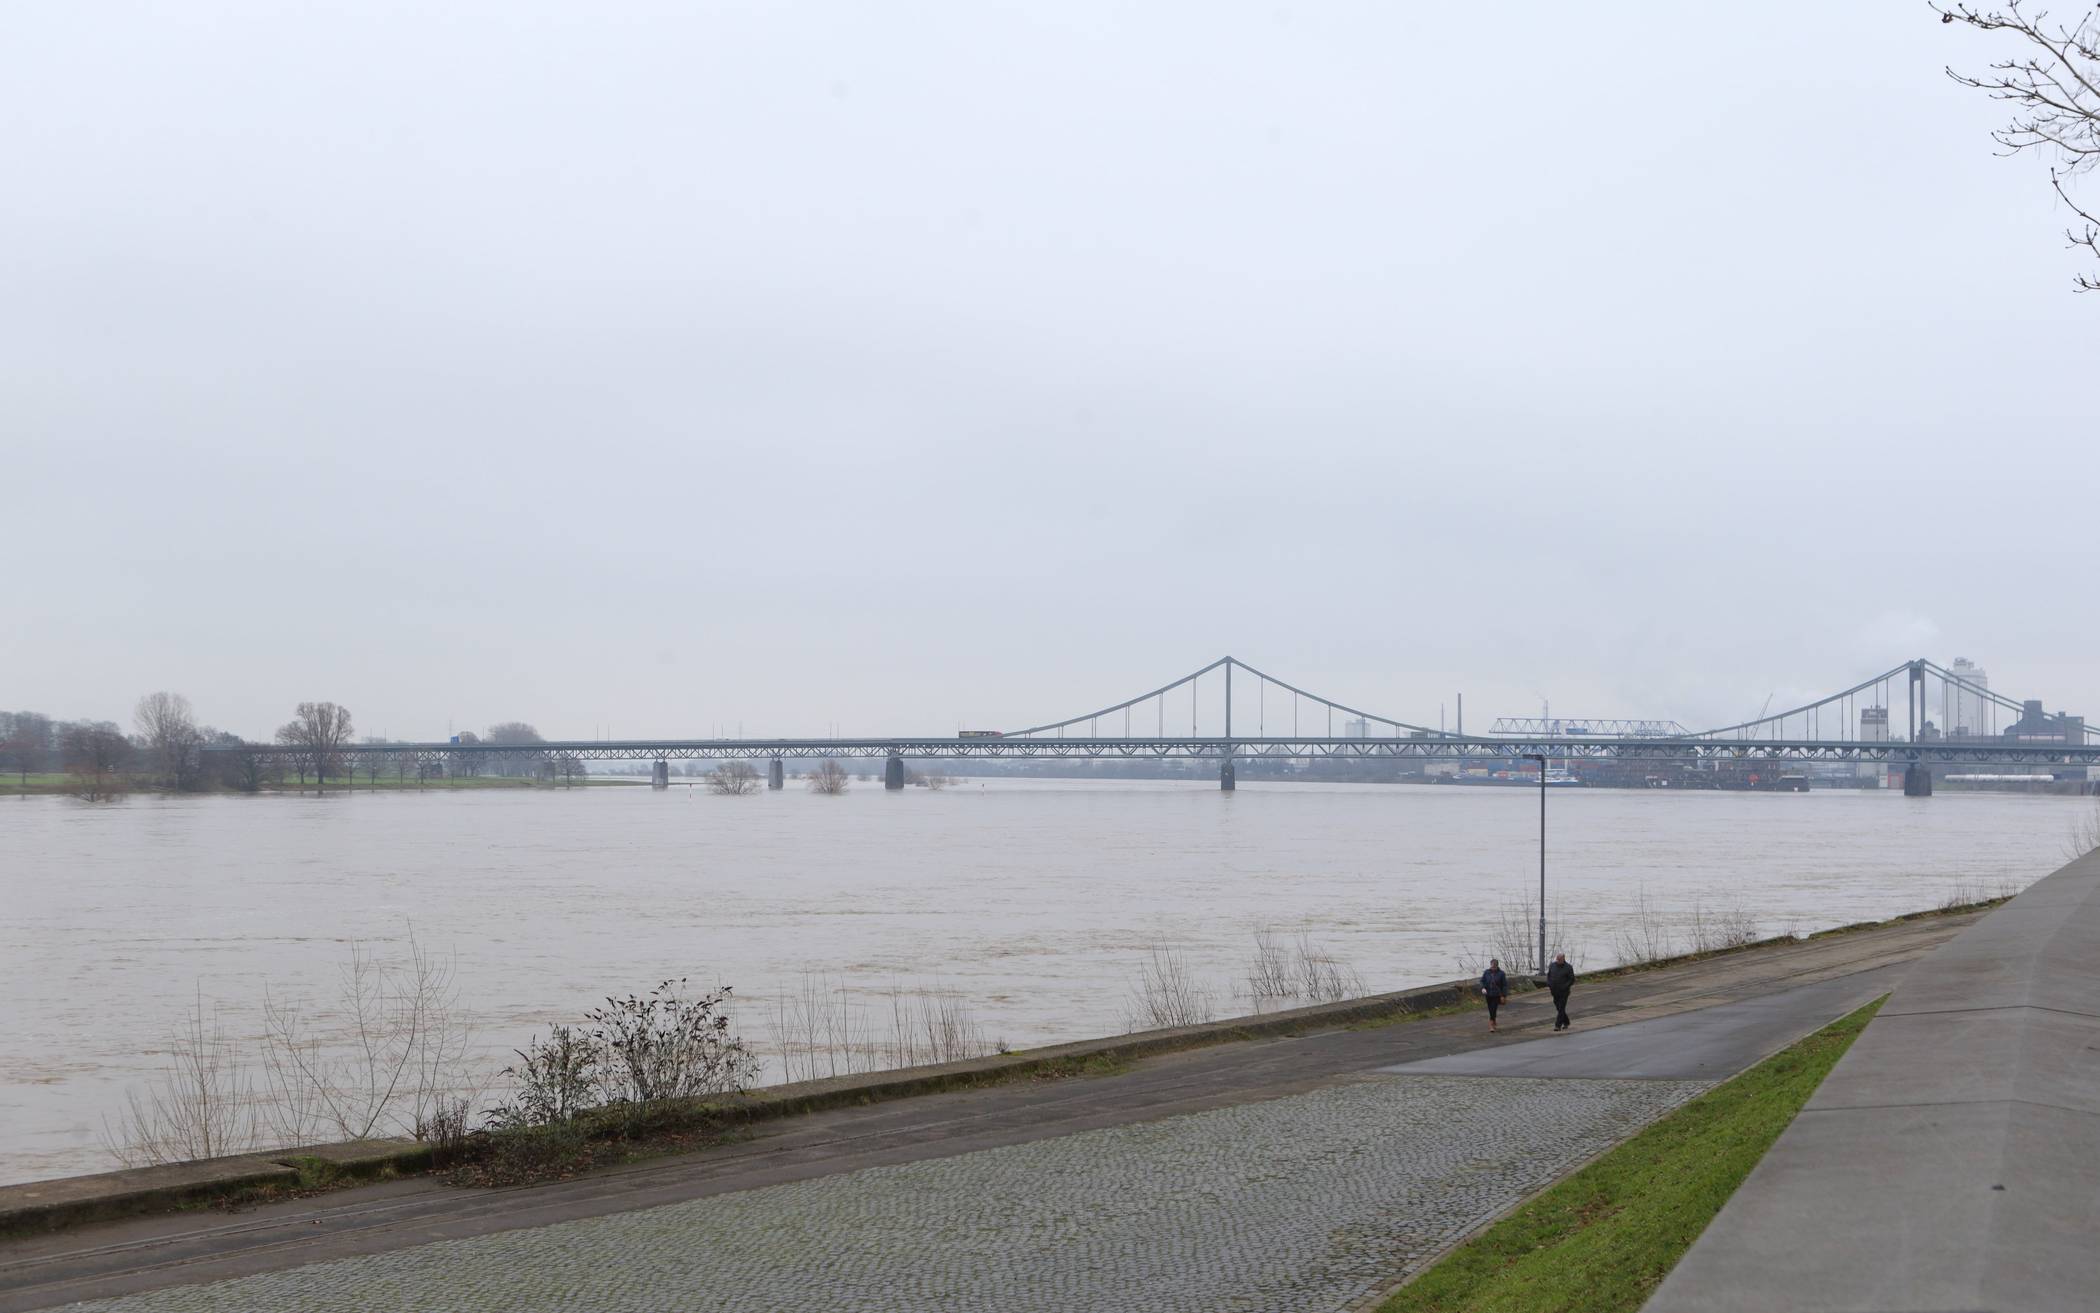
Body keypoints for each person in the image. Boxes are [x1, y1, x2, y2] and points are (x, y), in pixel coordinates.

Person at [1547, 953, 1576, 1031]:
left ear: (1563, 959)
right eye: (1557, 959)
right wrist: (1549, 984)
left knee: (1561, 1008)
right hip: (1554, 991)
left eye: (1559, 959)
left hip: (1564, 992)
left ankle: (1558, 1025)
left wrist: (1565, 986)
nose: (1558, 961)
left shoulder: (1568, 967)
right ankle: (1566, 1022)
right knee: (1559, 1008)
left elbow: (1572, 979)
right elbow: (1549, 976)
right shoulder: (1552, 965)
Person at [1479, 959, 1509, 1033]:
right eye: (1492, 966)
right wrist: (1483, 988)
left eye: (1494, 966)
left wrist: (1504, 995)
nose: (1493, 968)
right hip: (1488, 994)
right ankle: (1494, 1020)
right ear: (1490, 965)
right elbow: (1482, 981)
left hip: (1497, 994)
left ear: (1497, 966)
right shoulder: (1486, 972)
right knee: (1490, 1009)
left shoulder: (1501, 974)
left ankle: (1491, 1024)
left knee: (1493, 1008)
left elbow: (1504, 985)